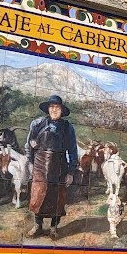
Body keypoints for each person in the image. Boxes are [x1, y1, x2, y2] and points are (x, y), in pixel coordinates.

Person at [25, 95, 79, 240]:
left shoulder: (68, 128)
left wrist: (70, 172)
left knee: (57, 197)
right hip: (40, 164)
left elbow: (73, 150)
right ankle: (38, 226)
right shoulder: (37, 124)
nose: (54, 110)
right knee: (38, 195)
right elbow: (29, 144)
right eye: (52, 107)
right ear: (48, 109)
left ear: (62, 110)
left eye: (57, 107)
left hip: (59, 165)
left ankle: (54, 228)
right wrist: (30, 163)